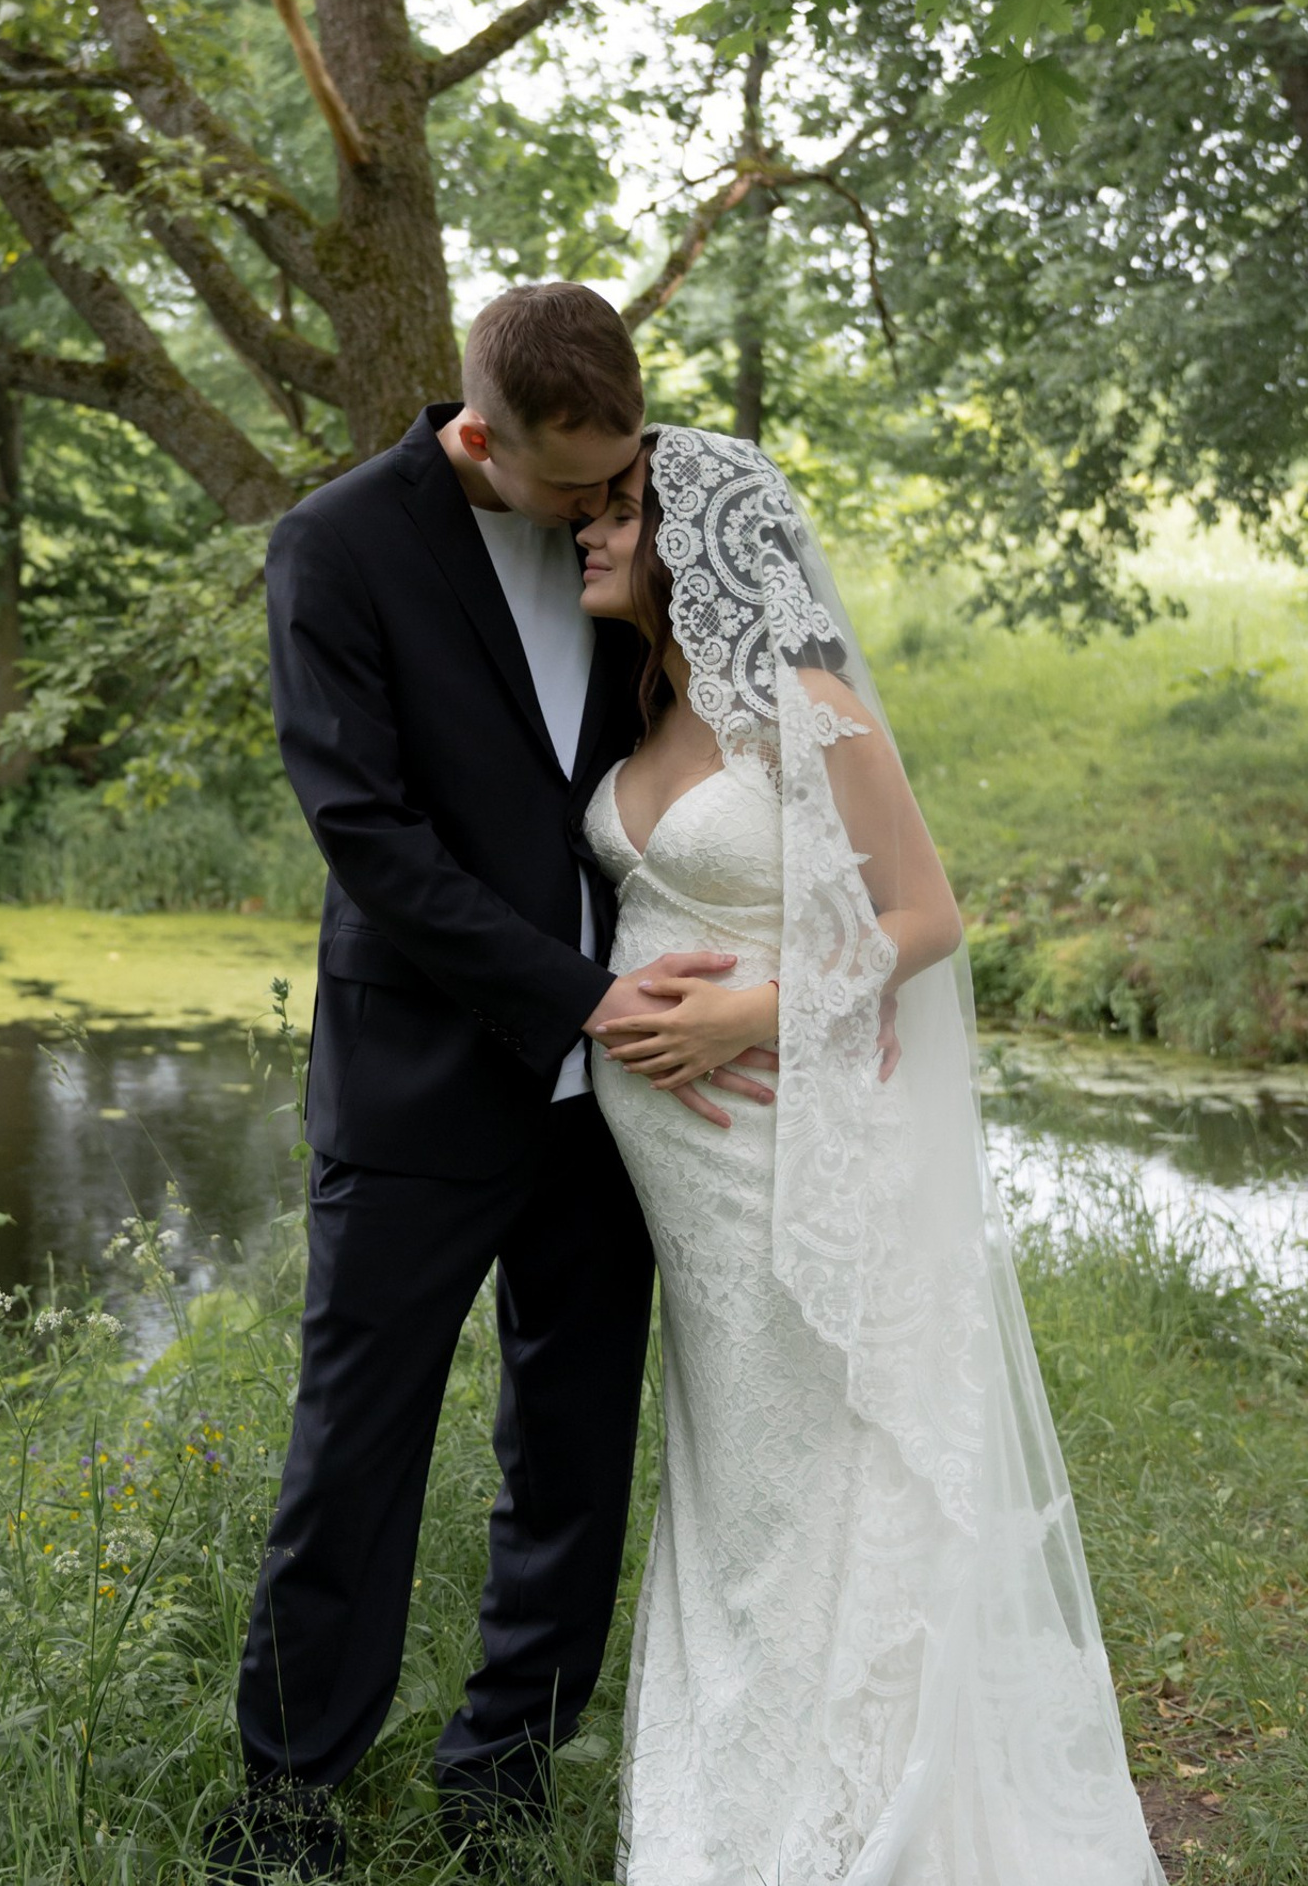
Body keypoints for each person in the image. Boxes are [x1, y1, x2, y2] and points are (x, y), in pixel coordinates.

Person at [210, 288, 772, 1882]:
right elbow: (370, 841)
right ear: (481, 436)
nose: (610, 511)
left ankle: (502, 1779)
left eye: (624, 478)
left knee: (575, 1450)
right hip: (422, 1085)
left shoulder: (637, 527)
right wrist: (580, 998)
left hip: (626, 1103)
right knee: (355, 1452)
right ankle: (289, 1808)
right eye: (578, 486)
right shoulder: (338, 547)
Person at [575, 426, 1165, 1886]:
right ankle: (738, 1773)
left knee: (831, 1470)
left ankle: (850, 1804)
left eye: (616, 511)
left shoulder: (804, 699)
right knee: (736, 1475)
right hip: (690, 1193)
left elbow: (926, 914)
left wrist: (747, 1014)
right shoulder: (651, 702)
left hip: (797, 1143)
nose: (587, 534)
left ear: (695, 539)